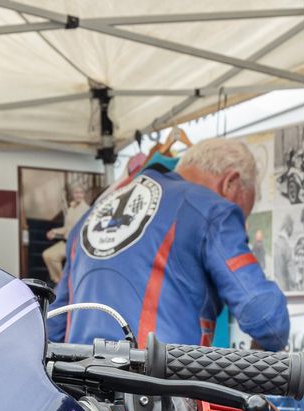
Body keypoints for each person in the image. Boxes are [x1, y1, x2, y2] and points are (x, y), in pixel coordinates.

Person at [49, 138, 290, 351]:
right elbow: (266, 318)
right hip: (156, 391)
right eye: (243, 212)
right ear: (231, 183)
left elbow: (54, 328)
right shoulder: (211, 209)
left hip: (82, 389)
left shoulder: (90, 217)